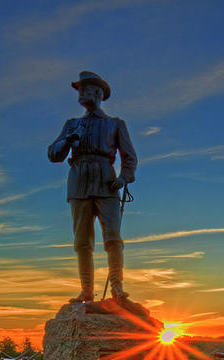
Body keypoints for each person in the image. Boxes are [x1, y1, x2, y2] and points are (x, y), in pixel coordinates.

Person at [48, 71, 137, 303]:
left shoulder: (115, 124)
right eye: (79, 90)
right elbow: (54, 154)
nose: (80, 94)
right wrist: (68, 139)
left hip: (107, 182)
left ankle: (117, 289)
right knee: (82, 242)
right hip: (78, 183)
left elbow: (130, 157)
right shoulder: (72, 125)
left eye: (85, 89)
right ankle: (86, 292)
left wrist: (124, 178)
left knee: (114, 238)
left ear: (97, 94)